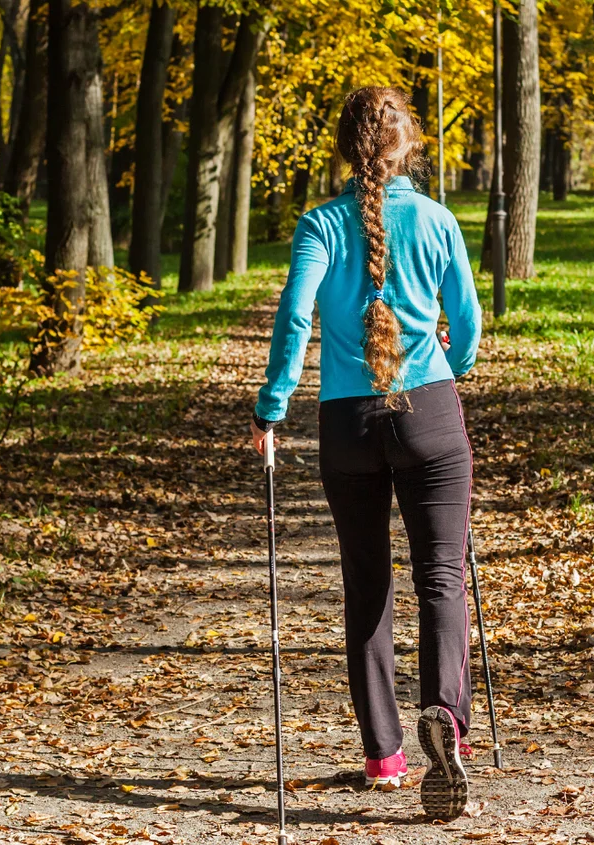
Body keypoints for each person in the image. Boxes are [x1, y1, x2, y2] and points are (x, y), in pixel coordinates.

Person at [250, 86, 482, 822]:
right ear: (407, 142)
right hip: (431, 416)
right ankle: (444, 718)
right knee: (442, 576)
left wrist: (271, 406)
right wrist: (456, 360)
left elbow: (293, 314)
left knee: (366, 583)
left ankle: (384, 753)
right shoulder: (438, 220)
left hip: (346, 422)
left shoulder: (319, 224)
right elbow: (468, 326)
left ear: (344, 146)